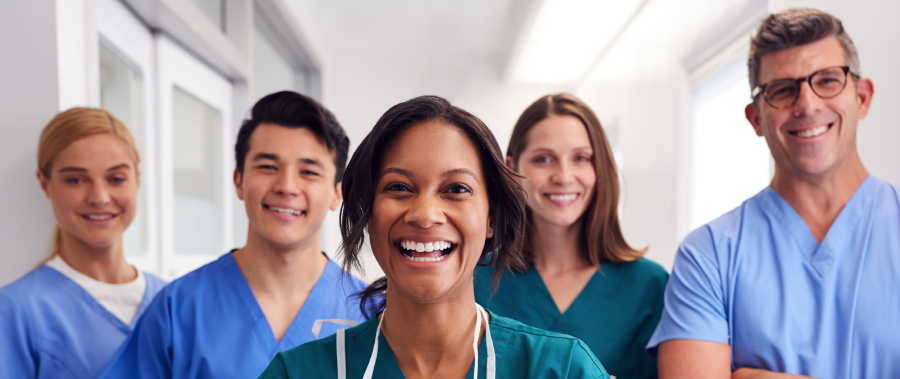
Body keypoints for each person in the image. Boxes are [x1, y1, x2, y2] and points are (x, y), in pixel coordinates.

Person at [258, 95, 610, 378]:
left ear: (492, 218)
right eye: (398, 187)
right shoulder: (298, 372)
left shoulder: (562, 369)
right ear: (368, 214)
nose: (425, 215)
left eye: (456, 188)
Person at [648, 8, 899, 379]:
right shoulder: (708, 256)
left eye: (828, 80)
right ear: (756, 119)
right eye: (782, 90)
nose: (808, 105)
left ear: (862, 97)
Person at [100, 91, 367, 379]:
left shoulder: (373, 314)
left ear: (337, 191)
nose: (287, 186)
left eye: (309, 172)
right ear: (238, 180)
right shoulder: (177, 311)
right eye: (268, 167)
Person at [474, 93, 668, 379]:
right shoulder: (475, 279)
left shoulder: (650, 287)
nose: (563, 176)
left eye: (580, 158)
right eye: (543, 159)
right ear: (513, 170)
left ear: (598, 168)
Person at [0, 108, 167, 378]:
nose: (99, 197)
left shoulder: (172, 301)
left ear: (137, 179)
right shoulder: (16, 312)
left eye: (116, 179)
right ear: (44, 183)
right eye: (75, 180)